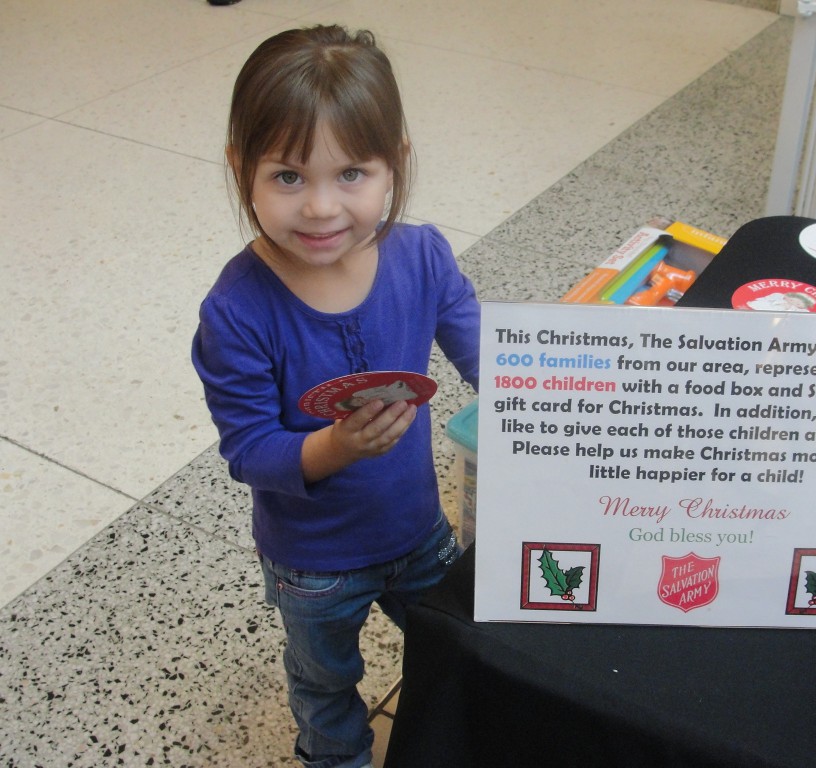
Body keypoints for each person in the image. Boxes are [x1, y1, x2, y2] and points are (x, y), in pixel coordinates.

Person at [192, 26, 480, 768]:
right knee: (326, 684)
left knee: (460, 651)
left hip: (419, 531)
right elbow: (250, 450)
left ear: (396, 166)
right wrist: (337, 447)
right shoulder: (237, 310)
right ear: (240, 169)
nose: (320, 208)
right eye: (288, 176)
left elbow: (490, 356)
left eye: (351, 173)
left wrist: (561, 401)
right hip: (312, 563)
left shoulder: (422, 258)